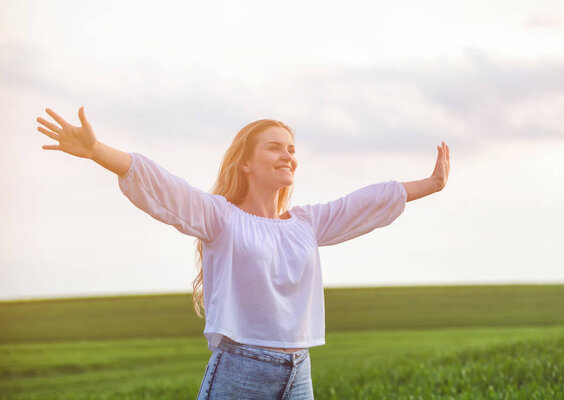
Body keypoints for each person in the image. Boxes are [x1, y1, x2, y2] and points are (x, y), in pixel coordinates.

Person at [37, 106, 450, 399]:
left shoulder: (307, 223)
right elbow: (164, 187)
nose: (288, 154)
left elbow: (365, 202)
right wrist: (97, 151)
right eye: (274, 147)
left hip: (299, 371)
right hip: (240, 371)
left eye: (290, 148)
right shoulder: (221, 218)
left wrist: (431, 184)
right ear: (247, 163)